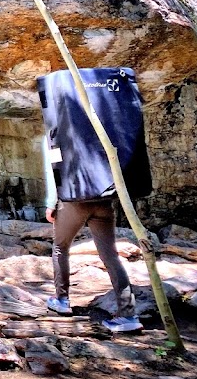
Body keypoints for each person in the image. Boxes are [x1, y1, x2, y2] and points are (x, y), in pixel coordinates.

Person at [43, 137, 142, 333]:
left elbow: (53, 170)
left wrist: (51, 202)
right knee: (111, 256)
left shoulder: (55, 133)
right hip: (103, 200)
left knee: (60, 247)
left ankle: (62, 300)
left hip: (75, 200)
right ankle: (128, 315)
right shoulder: (96, 130)